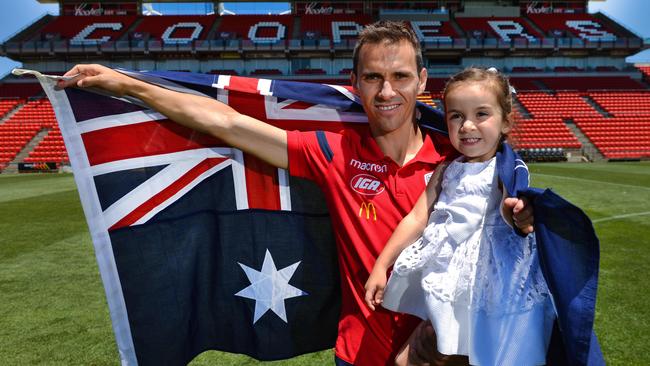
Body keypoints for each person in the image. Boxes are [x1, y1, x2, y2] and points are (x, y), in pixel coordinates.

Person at [58, 21, 533, 366]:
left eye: (401, 77)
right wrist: (127, 84)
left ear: (422, 82)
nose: (386, 91)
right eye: (372, 78)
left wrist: (525, 220)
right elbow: (225, 122)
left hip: (450, 353)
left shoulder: (460, 164)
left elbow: (515, 230)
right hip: (359, 353)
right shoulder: (333, 151)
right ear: (356, 85)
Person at [364, 67, 554, 365]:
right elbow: (417, 218)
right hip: (447, 286)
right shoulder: (446, 169)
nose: (467, 125)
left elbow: (515, 207)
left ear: (505, 121)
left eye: (481, 114)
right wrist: (381, 266)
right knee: (411, 359)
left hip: (485, 291)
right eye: (456, 116)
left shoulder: (508, 170)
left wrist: (521, 216)